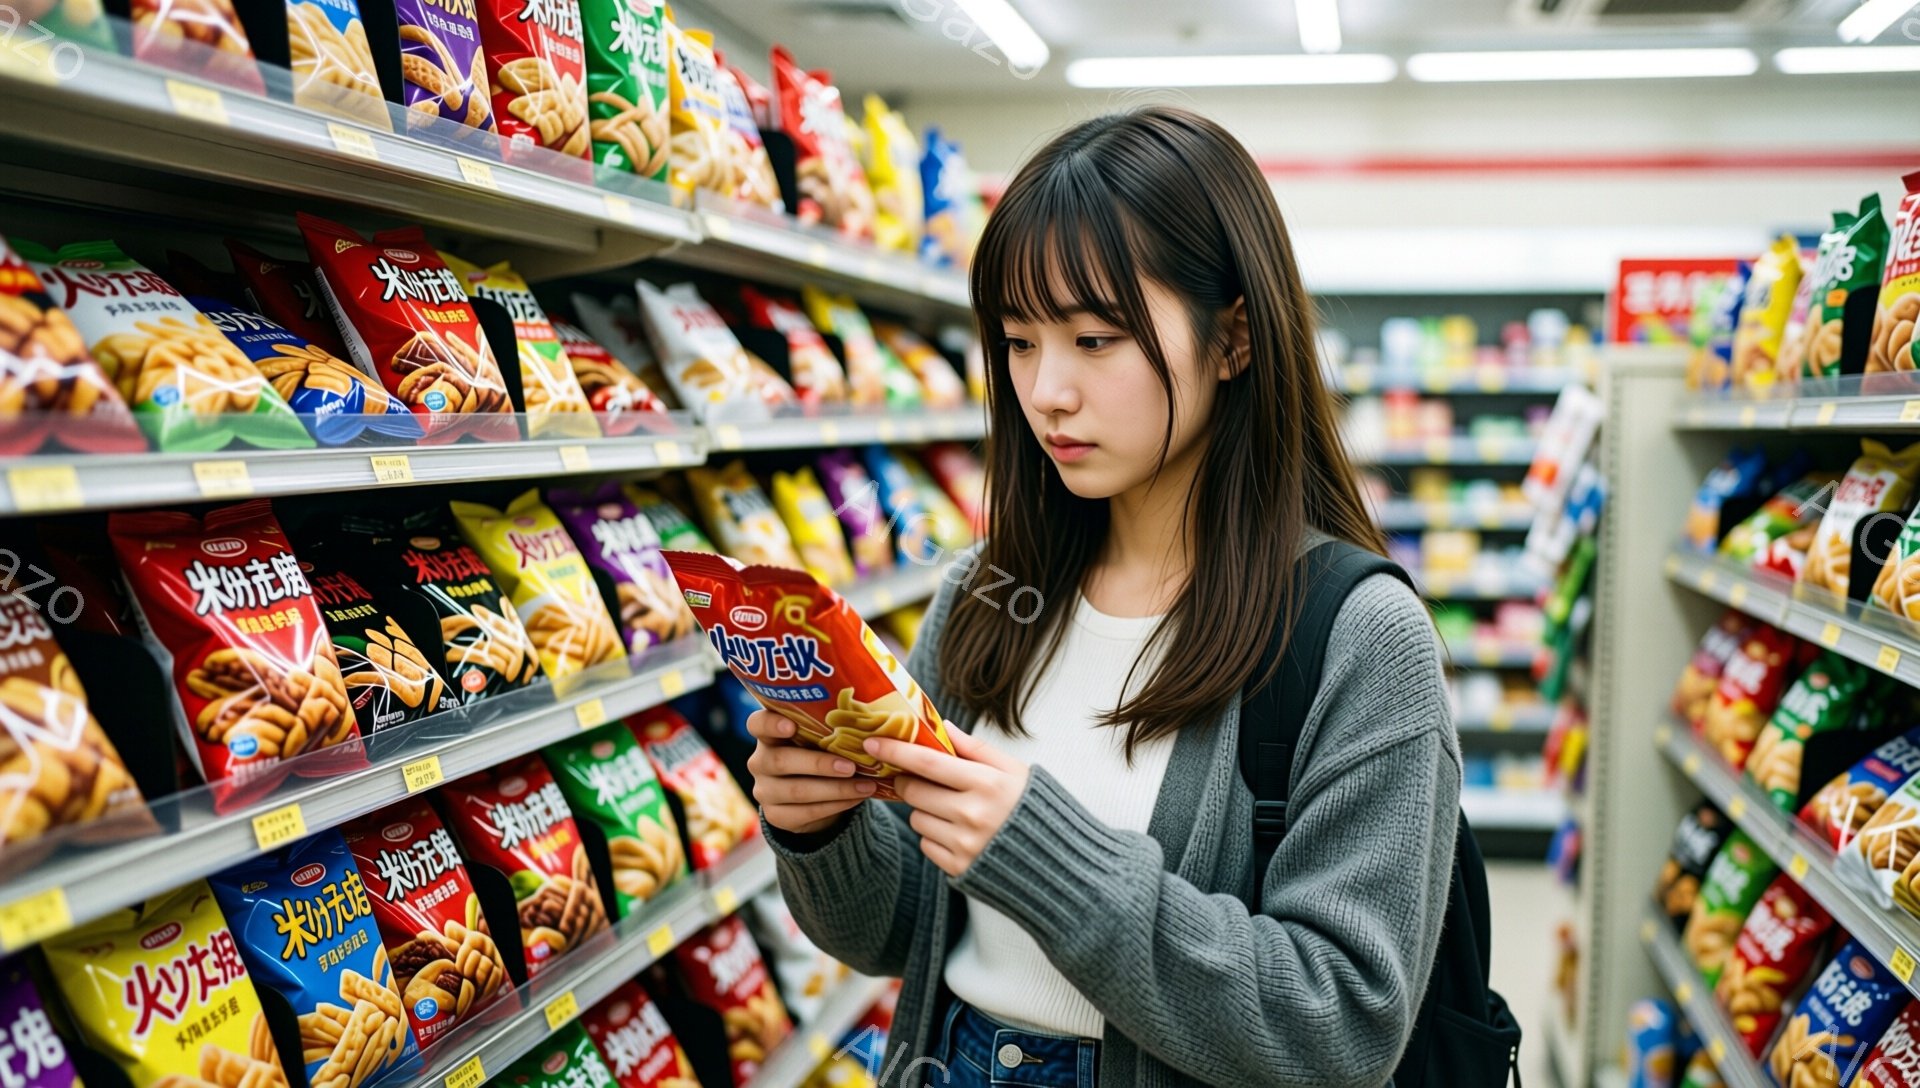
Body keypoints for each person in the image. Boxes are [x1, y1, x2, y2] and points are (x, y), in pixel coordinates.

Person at [746, 105, 1460, 1088]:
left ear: (1234, 339)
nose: (1046, 391)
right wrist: (818, 826)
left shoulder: (1356, 636)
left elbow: (1339, 1022)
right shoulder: (988, 592)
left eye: (1093, 338)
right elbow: (894, 930)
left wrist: (1043, 854)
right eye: (1019, 340)